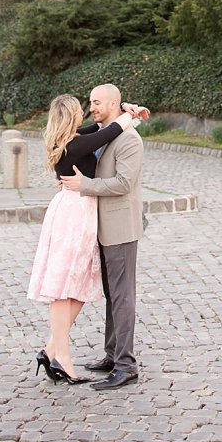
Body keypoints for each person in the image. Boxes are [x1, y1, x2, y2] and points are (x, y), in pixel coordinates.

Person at [27, 92, 144, 386]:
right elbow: (111, 130)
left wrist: (123, 111)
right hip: (75, 215)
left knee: (75, 286)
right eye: (84, 107)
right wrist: (130, 113)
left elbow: (103, 130)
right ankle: (62, 357)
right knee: (65, 286)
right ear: (71, 117)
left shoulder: (72, 138)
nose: (87, 111)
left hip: (78, 212)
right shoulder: (76, 143)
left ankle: (53, 349)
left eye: (94, 103)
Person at [58, 82, 146, 389]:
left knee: (123, 296)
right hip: (102, 227)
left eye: (96, 102)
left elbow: (123, 184)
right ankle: (112, 354)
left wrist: (84, 186)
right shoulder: (104, 133)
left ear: (113, 104)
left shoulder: (130, 140)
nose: (91, 107)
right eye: (90, 102)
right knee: (113, 295)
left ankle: (126, 365)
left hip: (121, 227)